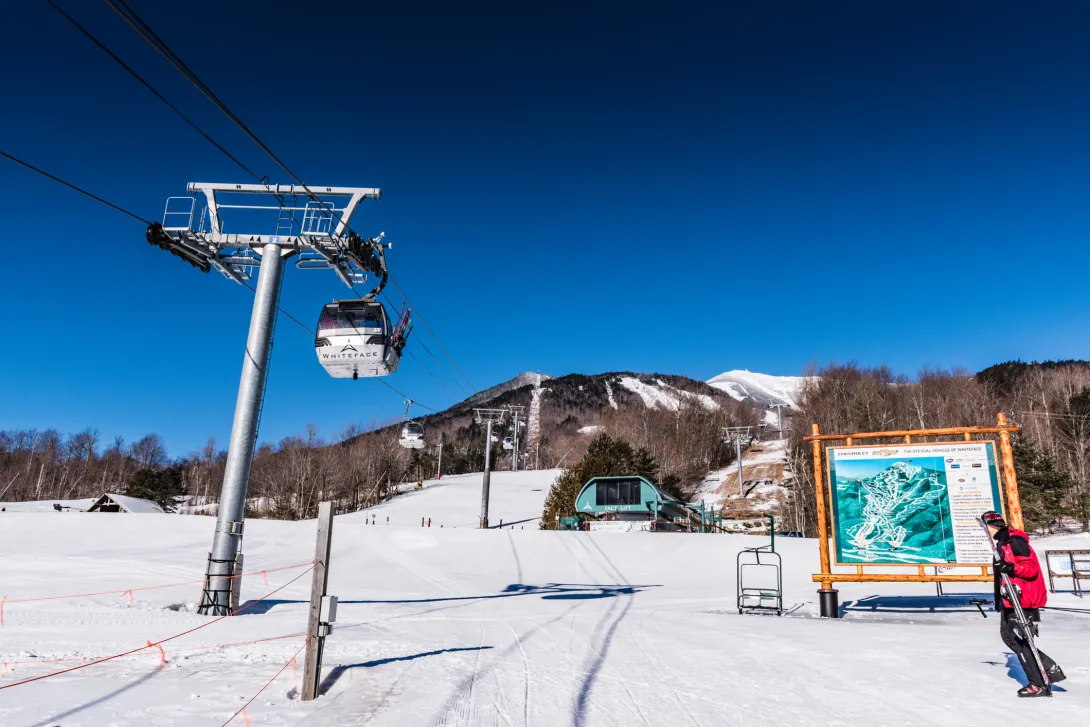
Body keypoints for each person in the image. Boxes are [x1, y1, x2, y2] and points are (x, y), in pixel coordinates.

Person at [982, 510, 1066, 697]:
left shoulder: (1015, 540)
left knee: (1021, 638)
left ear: (990, 526)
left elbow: (1030, 569)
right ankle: (1047, 668)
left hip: (1022, 598)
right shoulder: (1003, 543)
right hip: (1010, 598)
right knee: (1010, 637)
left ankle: (1039, 683)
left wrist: (1010, 567)